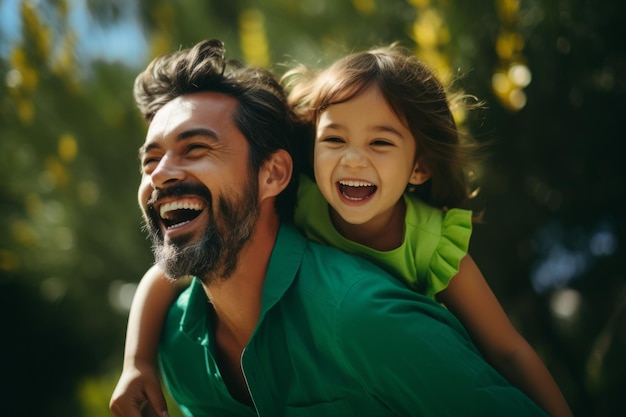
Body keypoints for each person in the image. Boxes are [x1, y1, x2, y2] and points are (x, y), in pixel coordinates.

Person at [110, 38, 549, 417]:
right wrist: (138, 360)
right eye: (150, 160)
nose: (161, 174)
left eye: (197, 148)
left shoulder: (374, 311)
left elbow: (509, 351)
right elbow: (163, 278)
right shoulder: (174, 346)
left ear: (274, 174)